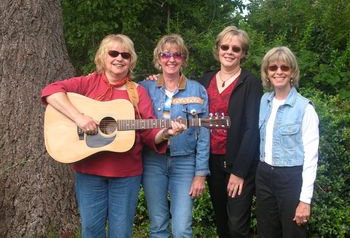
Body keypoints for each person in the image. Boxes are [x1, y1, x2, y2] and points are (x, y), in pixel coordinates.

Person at [41, 34, 185, 238]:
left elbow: (148, 131)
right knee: (91, 231)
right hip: (89, 170)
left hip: (126, 174)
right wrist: (80, 117)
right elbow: (51, 91)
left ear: (131, 60)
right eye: (114, 53)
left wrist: (166, 133)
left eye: (125, 55)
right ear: (103, 57)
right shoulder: (88, 83)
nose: (119, 58)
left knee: (121, 233)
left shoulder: (138, 92)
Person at [140, 34, 210, 237]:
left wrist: (200, 174)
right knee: (158, 225)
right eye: (165, 54)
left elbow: (203, 134)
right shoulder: (145, 88)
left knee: (182, 228)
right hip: (153, 161)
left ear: (183, 59)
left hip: (185, 162)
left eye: (177, 55)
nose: (171, 59)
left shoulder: (197, 89)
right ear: (158, 59)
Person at [198, 26, 263, 237]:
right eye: (225, 46)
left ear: (243, 53)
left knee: (237, 223)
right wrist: (155, 79)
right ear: (217, 49)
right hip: (212, 161)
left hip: (238, 163)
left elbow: (252, 128)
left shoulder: (250, 82)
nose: (229, 52)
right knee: (222, 220)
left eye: (236, 48)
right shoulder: (205, 80)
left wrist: (239, 172)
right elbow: (178, 90)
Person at [256, 46, 319, 238]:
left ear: (292, 72)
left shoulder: (304, 108)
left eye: (284, 67)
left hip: (291, 178)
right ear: (267, 73)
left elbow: (311, 157)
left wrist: (305, 200)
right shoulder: (264, 101)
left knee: (293, 233)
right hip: (264, 175)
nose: (279, 72)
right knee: (267, 233)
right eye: (273, 68)